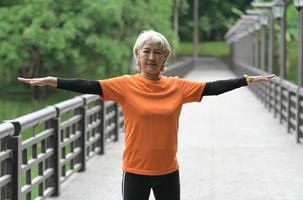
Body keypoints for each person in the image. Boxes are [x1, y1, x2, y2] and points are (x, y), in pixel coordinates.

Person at [18, 30, 275, 200]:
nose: (151, 56)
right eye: (146, 51)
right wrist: (54, 81)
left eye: (158, 52)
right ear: (138, 56)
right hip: (135, 170)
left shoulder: (177, 86)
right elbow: (90, 85)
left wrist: (244, 80)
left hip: (167, 170)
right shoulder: (124, 84)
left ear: (165, 60)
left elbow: (212, 89)